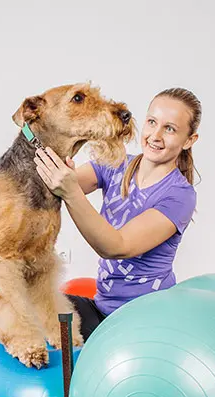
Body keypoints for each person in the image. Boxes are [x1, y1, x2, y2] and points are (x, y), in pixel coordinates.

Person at [34, 87, 201, 341]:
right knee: (38, 308)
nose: (155, 135)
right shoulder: (116, 164)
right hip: (104, 311)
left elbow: (116, 246)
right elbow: (54, 185)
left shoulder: (180, 195)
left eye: (170, 129)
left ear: (189, 140)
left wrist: (70, 191)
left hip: (146, 320)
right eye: (152, 122)